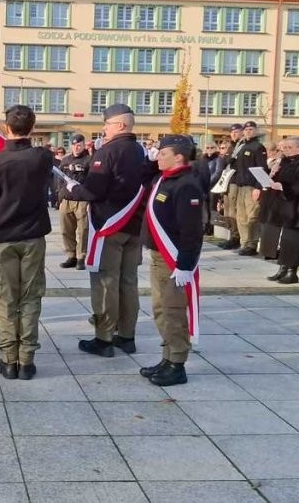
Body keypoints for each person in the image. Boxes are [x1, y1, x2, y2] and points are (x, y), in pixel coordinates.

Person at [0, 105, 54, 381]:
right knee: (30, 297)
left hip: (5, 238)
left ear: (6, 127)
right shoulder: (42, 158)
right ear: (32, 128)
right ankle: (27, 360)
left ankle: (9, 360)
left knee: (5, 298)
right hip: (33, 237)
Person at [68, 103, 147, 358]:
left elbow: (94, 190)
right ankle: (127, 335)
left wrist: (72, 189)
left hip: (110, 226)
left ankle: (103, 337)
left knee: (105, 282)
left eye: (108, 124)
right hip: (134, 225)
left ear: (121, 125)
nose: (104, 128)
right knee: (129, 282)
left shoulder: (107, 152)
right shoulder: (140, 150)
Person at [138, 135, 204, 387]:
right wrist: (150, 159)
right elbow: (143, 175)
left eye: (163, 154)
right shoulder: (165, 179)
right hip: (158, 257)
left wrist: (185, 264)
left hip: (173, 259)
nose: (158, 157)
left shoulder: (186, 185)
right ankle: (166, 358)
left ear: (179, 157)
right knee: (160, 310)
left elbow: (191, 230)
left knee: (173, 311)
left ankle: (177, 363)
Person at [266, 136, 299, 285]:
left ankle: (292, 272)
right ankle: (283, 268)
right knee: (285, 240)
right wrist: (273, 173)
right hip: (284, 206)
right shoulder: (285, 162)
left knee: (294, 241)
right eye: (284, 147)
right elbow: (279, 180)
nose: (284, 150)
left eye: (289, 147)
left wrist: (283, 187)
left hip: (297, 207)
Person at [230, 121, 268, 256]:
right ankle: (244, 243)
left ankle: (252, 244)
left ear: (256, 131)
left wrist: (259, 187)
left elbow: (262, 168)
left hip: (252, 186)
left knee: (252, 217)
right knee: (241, 217)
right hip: (241, 185)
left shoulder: (258, 147)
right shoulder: (241, 147)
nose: (248, 132)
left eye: (251, 129)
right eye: (246, 130)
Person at [57, 134, 91, 270]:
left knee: (83, 230)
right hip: (66, 200)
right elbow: (59, 179)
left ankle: (81, 257)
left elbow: (92, 179)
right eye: (74, 145)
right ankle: (71, 255)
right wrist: (59, 195)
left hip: (82, 201)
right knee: (66, 230)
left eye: (79, 145)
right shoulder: (65, 160)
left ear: (83, 145)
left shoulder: (89, 160)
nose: (76, 147)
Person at [218, 124, 244, 249]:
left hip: (235, 180)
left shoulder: (242, 146)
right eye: (232, 132)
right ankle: (231, 235)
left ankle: (236, 237)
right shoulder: (232, 147)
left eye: (236, 132)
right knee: (227, 209)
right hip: (227, 180)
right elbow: (226, 162)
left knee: (233, 210)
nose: (233, 134)